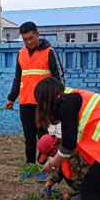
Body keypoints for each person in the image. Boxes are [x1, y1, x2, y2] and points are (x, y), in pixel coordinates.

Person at [4, 21, 64, 181]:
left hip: (43, 105)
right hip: (25, 103)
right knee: (29, 138)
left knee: (44, 138)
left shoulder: (50, 52)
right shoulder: (21, 54)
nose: (28, 42)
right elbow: (18, 78)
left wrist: (56, 100)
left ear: (37, 34)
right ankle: (30, 167)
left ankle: (42, 169)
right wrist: (11, 99)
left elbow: (59, 79)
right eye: (25, 39)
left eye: (31, 38)